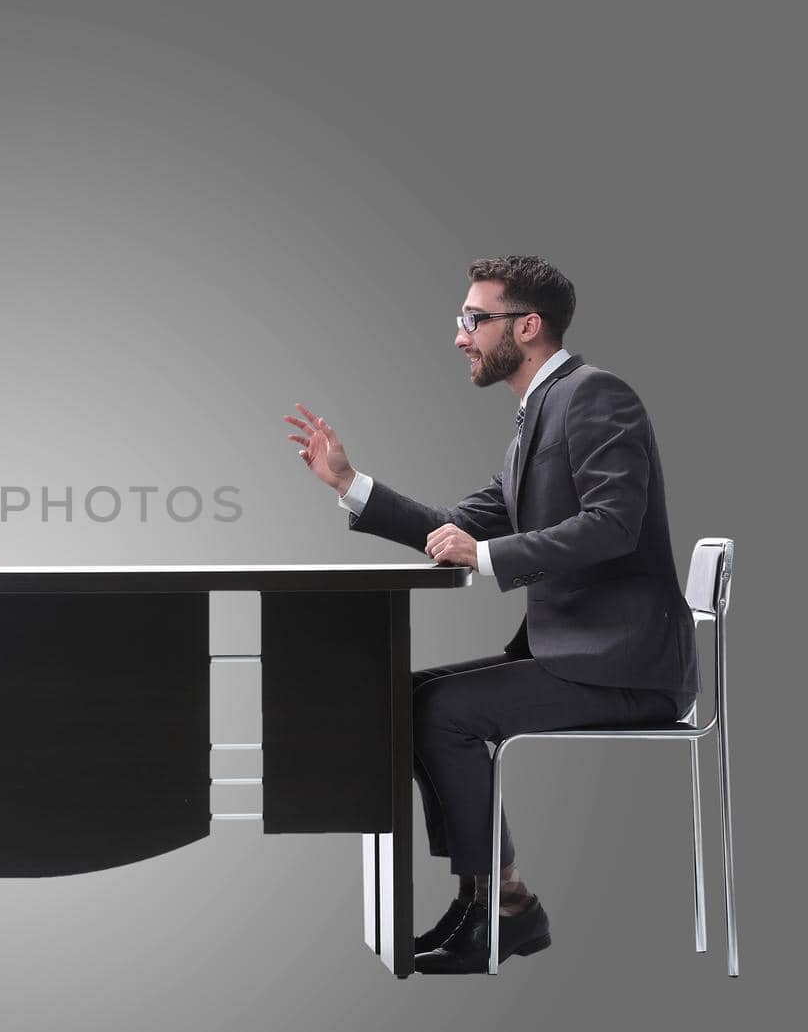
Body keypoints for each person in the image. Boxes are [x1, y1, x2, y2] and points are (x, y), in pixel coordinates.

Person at [286, 255, 697, 974]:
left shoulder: (596, 396)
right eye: (462, 320)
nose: (460, 336)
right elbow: (456, 525)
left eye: (474, 319)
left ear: (528, 327)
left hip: (626, 664)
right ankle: (491, 901)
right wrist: (350, 484)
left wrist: (487, 555)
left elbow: (614, 524)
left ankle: (504, 906)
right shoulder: (537, 415)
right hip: (579, 650)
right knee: (407, 698)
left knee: (441, 710)